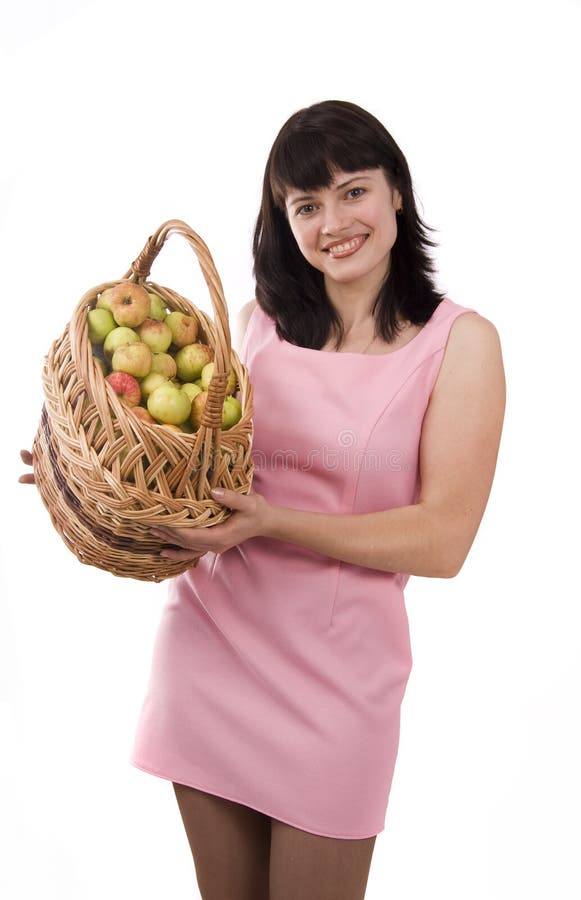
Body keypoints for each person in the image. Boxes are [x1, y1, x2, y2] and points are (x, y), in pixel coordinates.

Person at [20, 99, 506, 900]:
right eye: (306, 205)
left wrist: (275, 523)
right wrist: (89, 479)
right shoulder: (258, 326)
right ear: (284, 220)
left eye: (354, 191)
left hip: (340, 686)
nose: (334, 221)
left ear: (397, 195)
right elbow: (205, 477)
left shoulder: (460, 344)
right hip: (213, 649)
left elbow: (442, 540)